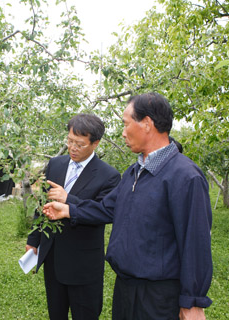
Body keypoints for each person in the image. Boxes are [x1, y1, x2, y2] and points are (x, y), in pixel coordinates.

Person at [43, 92, 213, 320]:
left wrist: (192, 302)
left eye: (126, 124)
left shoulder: (184, 176)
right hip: (126, 288)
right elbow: (107, 208)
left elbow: (195, 241)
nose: (122, 133)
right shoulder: (135, 172)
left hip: (158, 295)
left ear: (146, 124)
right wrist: (69, 209)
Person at [26, 114, 121, 320]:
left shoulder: (109, 176)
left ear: (95, 143)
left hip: (83, 264)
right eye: (69, 141)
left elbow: (105, 212)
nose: (73, 148)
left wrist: (68, 199)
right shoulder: (56, 164)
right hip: (53, 257)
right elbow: (41, 203)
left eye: (80, 144)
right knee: (56, 314)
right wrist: (33, 240)